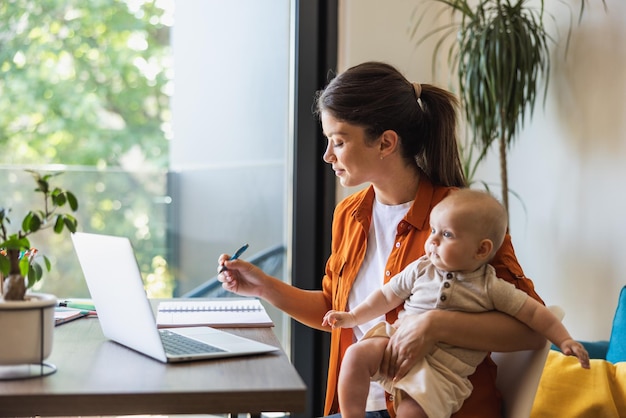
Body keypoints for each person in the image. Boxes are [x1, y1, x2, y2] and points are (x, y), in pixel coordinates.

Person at [218, 61, 548, 418]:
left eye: (339, 142)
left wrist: (435, 324)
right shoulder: (350, 214)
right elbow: (336, 309)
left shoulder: (461, 219)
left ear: (386, 142)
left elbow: (532, 330)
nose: (328, 156)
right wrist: (264, 286)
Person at [322, 189, 590, 418]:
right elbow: (386, 295)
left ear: (481, 250)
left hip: (441, 372)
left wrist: (564, 339)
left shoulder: (490, 286)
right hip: (396, 341)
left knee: (411, 413)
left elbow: (534, 313)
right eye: (433, 230)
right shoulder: (422, 268)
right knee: (356, 355)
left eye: (447, 235)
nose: (433, 240)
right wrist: (352, 316)